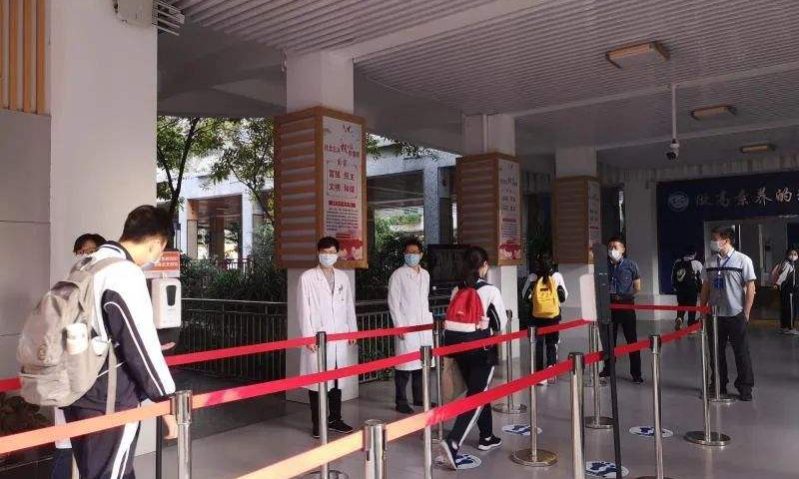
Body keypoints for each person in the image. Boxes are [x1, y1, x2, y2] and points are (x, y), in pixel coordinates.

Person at [62, 206, 177, 479]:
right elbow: (140, 346)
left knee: (98, 473)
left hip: (76, 392)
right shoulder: (124, 273)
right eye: (161, 249)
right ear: (156, 243)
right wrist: (166, 401)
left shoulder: (85, 264)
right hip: (108, 399)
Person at [440, 246, 506, 469]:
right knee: (477, 395)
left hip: (458, 349)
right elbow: (500, 323)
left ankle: (486, 436)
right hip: (481, 350)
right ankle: (453, 441)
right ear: (484, 266)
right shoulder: (490, 290)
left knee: (478, 390)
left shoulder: (457, 289)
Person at [51, 233, 110, 479]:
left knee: (95, 453)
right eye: (81, 252)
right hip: (71, 382)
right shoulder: (66, 290)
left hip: (96, 388)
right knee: (66, 449)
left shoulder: (106, 291)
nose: (85, 257)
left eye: (91, 251)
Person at [298, 237, 357, 438]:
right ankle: (318, 423)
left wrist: (352, 330)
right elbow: (303, 309)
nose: (328, 256)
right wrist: (308, 337)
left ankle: (335, 419)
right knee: (317, 383)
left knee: (336, 380)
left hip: (339, 336)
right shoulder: (307, 277)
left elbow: (348, 305)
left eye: (332, 252)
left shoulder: (343, 277)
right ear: (318, 253)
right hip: (317, 337)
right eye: (324, 252)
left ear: (337, 254)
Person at [701, 226, 756, 401]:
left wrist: (746, 312)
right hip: (714, 315)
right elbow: (705, 288)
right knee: (716, 353)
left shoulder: (743, 260)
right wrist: (702, 310)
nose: (713, 242)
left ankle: (745, 388)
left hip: (735, 314)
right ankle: (718, 385)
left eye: (715, 238)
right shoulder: (709, 262)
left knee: (741, 352)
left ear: (726, 240)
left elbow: (751, 288)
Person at [387, 237, 434, 414]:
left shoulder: (425, 274)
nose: (411, 255)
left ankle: (419, 397)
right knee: (404, 367)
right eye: (408, 252)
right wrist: (399, 325)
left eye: (415, 252)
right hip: (406, 325)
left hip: (423, 325)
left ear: (421, 254)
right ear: (404, 254)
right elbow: (393, 302)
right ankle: (401, 401)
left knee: (421, 364)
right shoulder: (398, 275)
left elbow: (424, 299)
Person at [600, 236, 644, 384]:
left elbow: (637, 287)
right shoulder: (604, 266)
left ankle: (636, 373)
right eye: (610, 247)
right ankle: (608, 369)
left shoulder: (631, 265)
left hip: (626, 305)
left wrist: (625, 296)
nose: (612, 250)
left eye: (615, 247)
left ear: (623, 249)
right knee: (609, 340)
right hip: (609, 305)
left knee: (631, 339)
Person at [520, 252, 568, 384]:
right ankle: (551, 369)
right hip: (553, 316)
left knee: (538, 344)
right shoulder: (557, 276)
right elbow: (564, 296)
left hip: (536, 316)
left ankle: (540, 374)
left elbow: (524, 296)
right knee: (552, 343)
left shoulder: (532, 277)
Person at [671, 246, 703, 331]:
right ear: (694, 253)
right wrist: (701, 290)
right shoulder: (696, 263)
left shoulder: (677, 262)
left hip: (680, 290)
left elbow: (673, 277)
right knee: (692, 307)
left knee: (681, 305)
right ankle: (691, 326)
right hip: (691, 289)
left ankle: (679, 318)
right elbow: (701, 278)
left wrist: (675, 287)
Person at [771, 248, 799, 335]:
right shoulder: (788, 264)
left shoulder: (785, 263)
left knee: (784, 309)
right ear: (787, 255)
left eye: (795, 254)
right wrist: (777, 284)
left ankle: (783, 327)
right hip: (789, 291)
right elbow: (783, 276)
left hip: (785, 291)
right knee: (791, 310)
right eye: (791, 254)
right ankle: (790, 328)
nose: (793, 256)